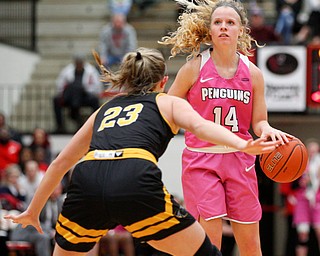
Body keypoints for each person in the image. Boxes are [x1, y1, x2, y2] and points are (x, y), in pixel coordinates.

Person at [4, 47, 280, 256]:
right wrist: (243, 144)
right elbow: (201, 126)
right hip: (133, 177)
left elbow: (61, 161)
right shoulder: (166, 102)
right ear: (164, 81)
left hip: (87, 178)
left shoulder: (105, 109)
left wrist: (33, 210)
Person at [159, 0, 291, 255]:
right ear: (209, 30)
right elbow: (167, 106)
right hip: (201, 160)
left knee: (251, 245)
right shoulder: (194, 67)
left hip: (240, 159)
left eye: (230, 23)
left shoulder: (253, 73)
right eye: (217, 22)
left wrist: (268, 130)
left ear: (241, 30)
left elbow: (258, 121)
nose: (223, 27)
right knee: (211, 243)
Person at [53, 53, 102, 133]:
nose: (79, 64)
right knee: (56, 100)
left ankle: (94, 124)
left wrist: (86, 89)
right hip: (70, 96)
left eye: (80, 62)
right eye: (77, 62)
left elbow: (97, 86)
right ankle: (60, 126)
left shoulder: (91, 71)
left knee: (94, 100)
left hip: (85, 96)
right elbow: (60, 84)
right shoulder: (67, 70)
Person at [293, 138, 320, 256]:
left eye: (316, 151)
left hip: (317, 200)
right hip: (303, 200)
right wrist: (302, 180)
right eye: (311, 151)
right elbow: (292, 185)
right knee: (302, 234)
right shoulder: (300, 163)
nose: (313, 153)